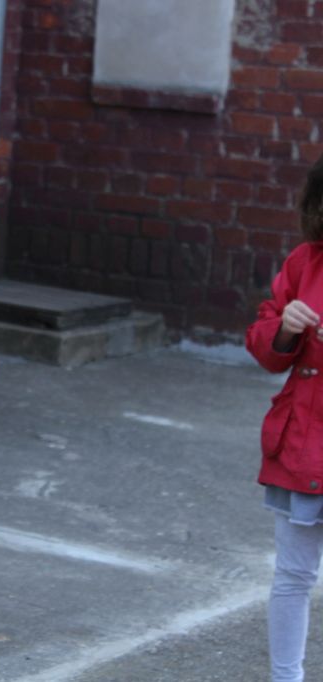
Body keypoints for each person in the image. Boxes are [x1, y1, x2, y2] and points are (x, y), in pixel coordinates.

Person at [247, 152, 323, 682]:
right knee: (293, 575)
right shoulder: (305, 261)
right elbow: (267, 346)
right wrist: (286, 328)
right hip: (304, 444)